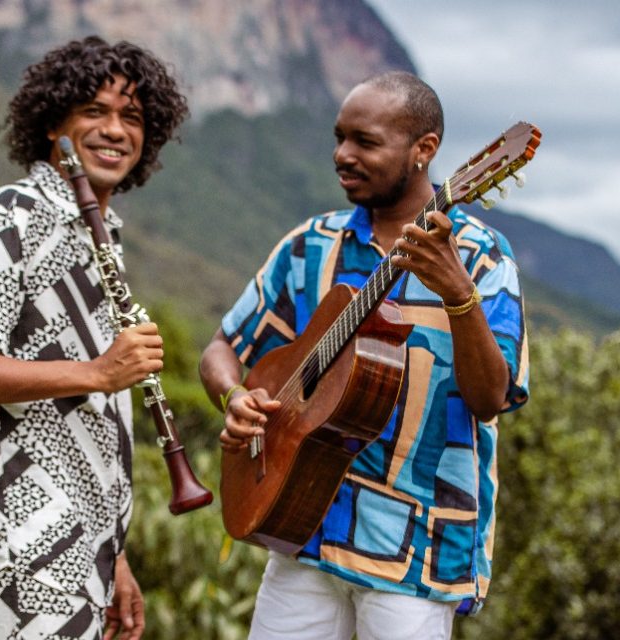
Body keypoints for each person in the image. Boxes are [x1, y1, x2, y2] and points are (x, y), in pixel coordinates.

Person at [199, 71, 529, 639]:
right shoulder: (311, 245)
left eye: (365, 142)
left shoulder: (480, 256)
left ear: (424, 150)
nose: (342, 155)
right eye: (339, 137)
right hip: (303, 533)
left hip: (416, 554)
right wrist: (234, 397)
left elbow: (491, 397)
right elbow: (223, 347)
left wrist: (458, 293)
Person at [0, 35, 188, 640]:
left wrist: (112, 556)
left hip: (81, 551)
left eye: (133, 117)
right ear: (53, 123)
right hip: (22, 544)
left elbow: (85, 425)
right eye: (95, 111)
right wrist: (98, 372)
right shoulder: (11, 214)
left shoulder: (99, 236)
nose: (115, 130)